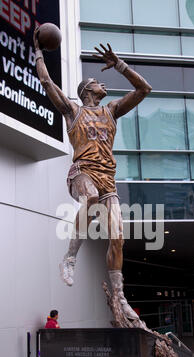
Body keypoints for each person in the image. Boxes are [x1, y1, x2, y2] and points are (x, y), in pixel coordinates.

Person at [34, 32, 152, 321]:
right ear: (87, 90)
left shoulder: (111, 111)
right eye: (98, 82)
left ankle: (120, 296)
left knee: (118, 237)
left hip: (107, 177)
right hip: (82, 173)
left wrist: (120, 65)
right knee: (91, 199)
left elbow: (144, 89)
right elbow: (47, 82)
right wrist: (38, 51)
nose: (104, 84)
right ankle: (70, 257)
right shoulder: (73, 110)